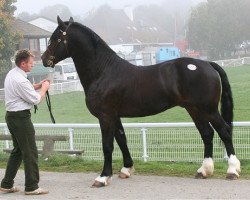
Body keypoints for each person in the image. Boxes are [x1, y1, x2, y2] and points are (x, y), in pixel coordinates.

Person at [0, 49, 50, 195]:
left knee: (18, 151)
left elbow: (23, 90)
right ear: (23, 63)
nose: (32, 65)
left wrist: (37, 86)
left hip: (11, 117)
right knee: (30, 151)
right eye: (30, 63)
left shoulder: (13, 73)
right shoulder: (21, 80)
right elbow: (35, 100)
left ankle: (7, 184)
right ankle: (32, 186)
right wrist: (44, 89)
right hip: (21, 118)